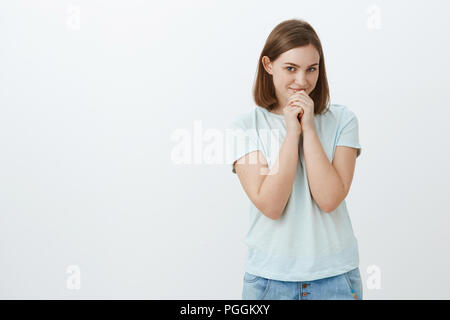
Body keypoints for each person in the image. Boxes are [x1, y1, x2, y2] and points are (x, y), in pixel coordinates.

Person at [229, 19, 363, 300]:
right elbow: (271, 205)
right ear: (268, 65)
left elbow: (329, 198)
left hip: (335, 277)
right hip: (268, 280)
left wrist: (310, 128)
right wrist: (292, 133)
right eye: (291, 68)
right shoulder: (246, 126)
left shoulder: (343, 120)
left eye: (311, 69)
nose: (302, 81)